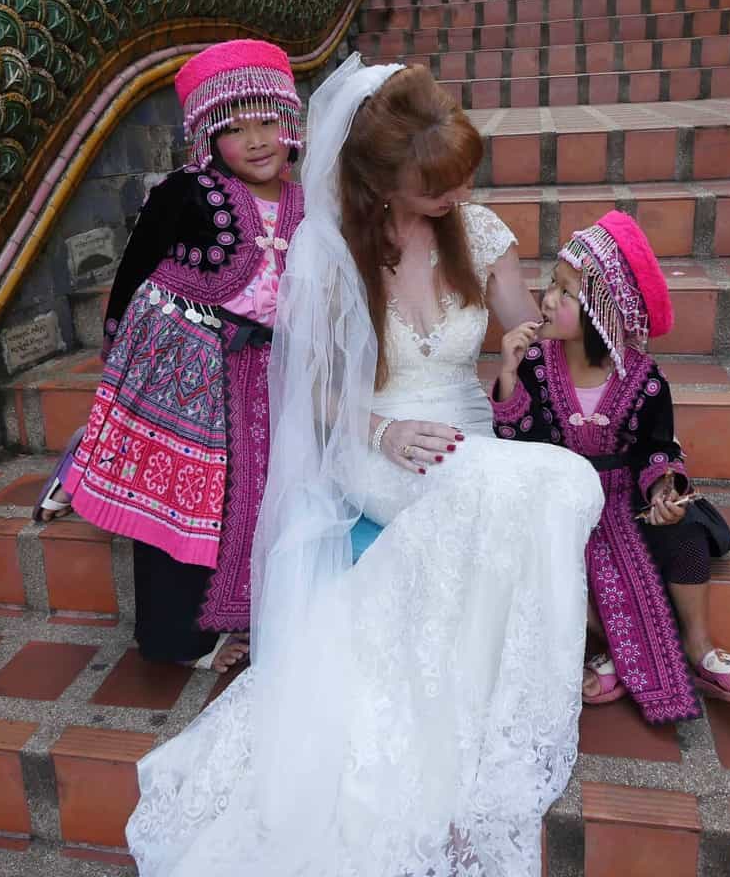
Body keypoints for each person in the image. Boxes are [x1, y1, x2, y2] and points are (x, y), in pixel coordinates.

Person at [125, 57, 605, 876]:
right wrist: (381, 432)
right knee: (551, 486)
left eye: (460, 177)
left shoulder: (481, 234)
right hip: (375, 441)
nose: (457, 195)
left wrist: (580, 305)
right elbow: (310, 391)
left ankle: (511, 687)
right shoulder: (332, 251)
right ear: (383, 183)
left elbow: (529, 335)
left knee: (559, 484)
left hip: (468, 438)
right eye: (435, 186)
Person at [39, 39, 307, 672]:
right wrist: (120, 353)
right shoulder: (186, 192)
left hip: (270, 379)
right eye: (234, 128)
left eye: (266, 121)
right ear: (208, 137)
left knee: (257, 497)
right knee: (184, 498)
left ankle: (249, 612)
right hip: (189, 376)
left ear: (289, 123)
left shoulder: (309, 202)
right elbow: (135, 269)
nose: (256, 141)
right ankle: (175, 640)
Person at [492, 211, 730, 722]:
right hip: (561, 499)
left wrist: (663, 492)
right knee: (552, 553)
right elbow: (521, 446)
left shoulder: (645, 379)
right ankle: (614, 647)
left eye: (565, 292)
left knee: (685, 535)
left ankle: (700, 646)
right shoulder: (533, 364)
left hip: (625, 498)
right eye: (551, 284)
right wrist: (508, 376)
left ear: (601, 313)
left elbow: (656, 448)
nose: (546, 299)